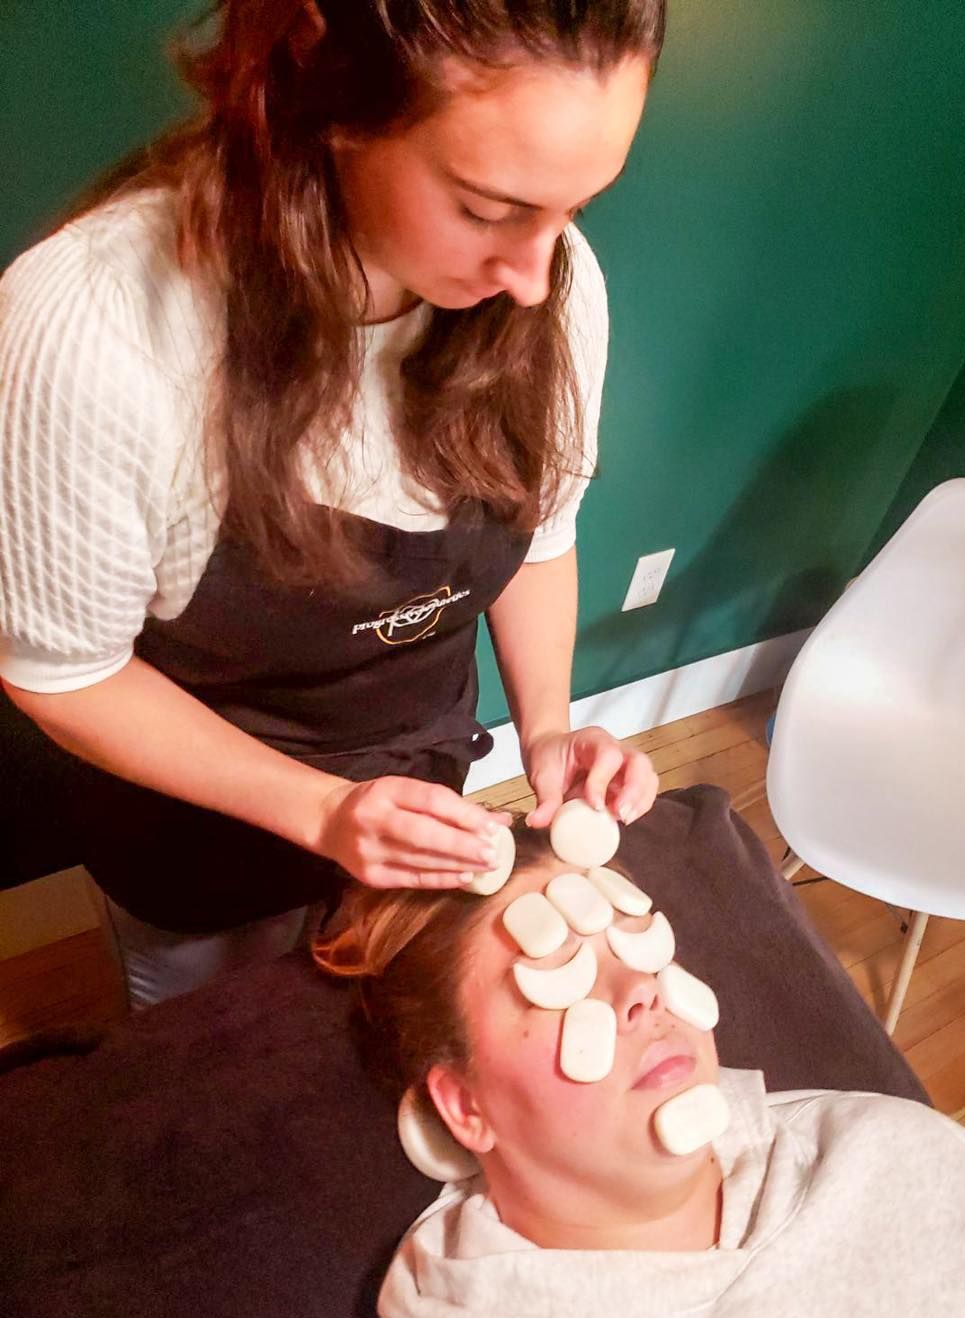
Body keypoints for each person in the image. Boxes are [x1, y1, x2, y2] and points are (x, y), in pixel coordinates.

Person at [0, 1, 665, 1005]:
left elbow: (539, 538)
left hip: (417, 776)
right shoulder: (99, 334)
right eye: (488, 208)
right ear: (333, 98)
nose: (537, 278)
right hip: (198, 841)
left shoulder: (551, 288)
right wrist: (323, 813)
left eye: (576, 210)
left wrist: (548, 735)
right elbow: (65, 675)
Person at [284, 821, 965, 1318]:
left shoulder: (898, 1146)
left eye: (635, 943)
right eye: (553, 985)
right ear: (465, 1108)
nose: (641, 990)